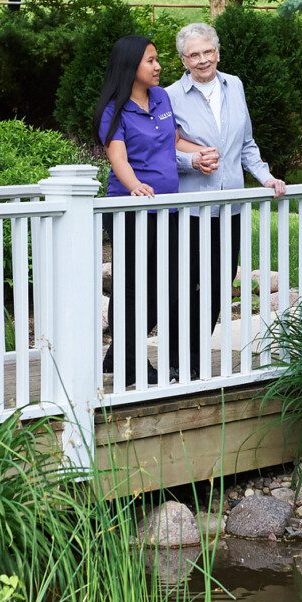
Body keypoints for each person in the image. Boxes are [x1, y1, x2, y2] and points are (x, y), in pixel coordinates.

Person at [166, 22, 286, 379]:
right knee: (185, 284)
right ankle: (178, 358)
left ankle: (196, 351)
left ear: (217, 52)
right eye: (194, 55)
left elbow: (246, 144)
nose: (203, 60)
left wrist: (265, 176)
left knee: (219, 284)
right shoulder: (170, 96)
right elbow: (162, 149)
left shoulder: (234, 86)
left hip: (230, 206)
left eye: (208, 52)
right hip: (190, 208)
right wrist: (192, 161)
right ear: (183, 60)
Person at [94, 35, 207, 385]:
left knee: (164, 285)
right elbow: (118, 157)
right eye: (150, 61)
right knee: (132, 287)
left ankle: (118, 356)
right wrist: (135, 187)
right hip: (132, 210)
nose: (158, 67)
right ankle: (130, 364)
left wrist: (202, 151)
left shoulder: (160, 97)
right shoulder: (112, 109)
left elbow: (173, 140)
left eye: (157, 59)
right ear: (130, 67)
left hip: (167, 210)